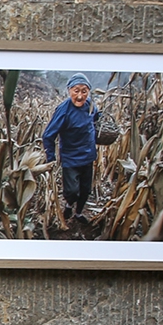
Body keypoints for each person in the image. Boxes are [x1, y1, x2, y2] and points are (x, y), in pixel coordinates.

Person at [43, 73, 100, 224]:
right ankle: (69, 204)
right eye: (76, 91)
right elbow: (48, 135)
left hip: (88, 156)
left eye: (84, 91)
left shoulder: (91, 106)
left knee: (85, 190)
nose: (80, 96)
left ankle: (79, 213)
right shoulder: (64, 110)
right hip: (70, 157)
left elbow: (97, 120)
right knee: (72, 191)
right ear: (69, 90)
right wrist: (51, 158)